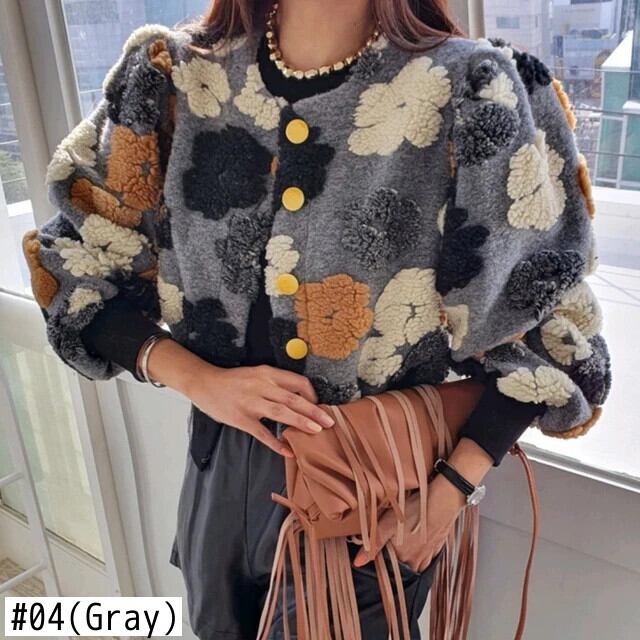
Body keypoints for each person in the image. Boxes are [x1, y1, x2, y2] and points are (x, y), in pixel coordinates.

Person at [22, 0, 611, 638]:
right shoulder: (172, 77)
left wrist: (448, 495)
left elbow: (551, 338)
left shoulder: (472, 89)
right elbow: (71, 268)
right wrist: (198, 379)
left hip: (368, 499)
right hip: (217, 479)